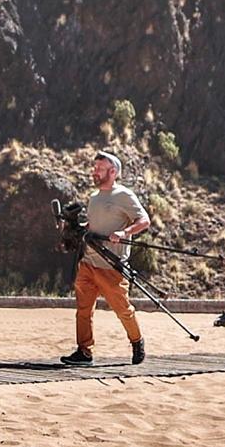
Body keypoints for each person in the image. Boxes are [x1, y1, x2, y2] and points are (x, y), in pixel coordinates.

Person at [61, 150, 150, 367]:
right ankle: (84, 351)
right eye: (94, 168)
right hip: (89, 262)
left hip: (111, 265)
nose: (95, 172)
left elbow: (144, 220)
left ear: (113, 171)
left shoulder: (123, 195)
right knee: (83, 309)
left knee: (123, 310)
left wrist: (124, 233)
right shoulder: (93, 198)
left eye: (100, 168)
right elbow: (91, 226)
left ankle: (137, 341)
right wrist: (75, 227)